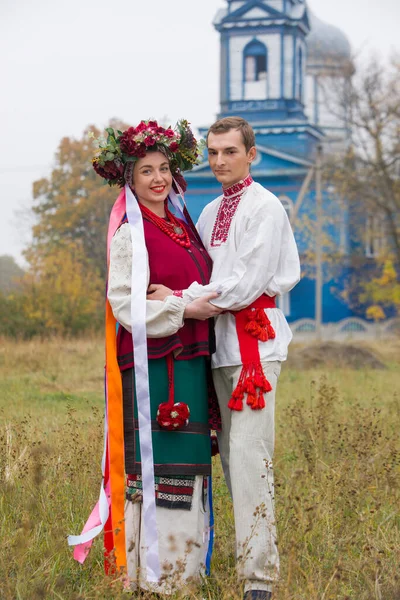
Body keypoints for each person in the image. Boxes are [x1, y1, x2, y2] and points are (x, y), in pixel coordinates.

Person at [148, 117, 301, 600]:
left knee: (251, 461)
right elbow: (201, 268)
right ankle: (227, 563)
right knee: (232, 463)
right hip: (217, 347)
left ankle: (259, 581)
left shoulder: (266, 207)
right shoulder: (211, 210)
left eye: (230, 152)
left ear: (250, 153)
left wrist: (179, 302)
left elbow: (244, 283)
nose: (219, 161)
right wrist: (181, 296)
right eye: (212, 152)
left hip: (253, 348)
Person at [68, 119, 221, 595]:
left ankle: (185, 574)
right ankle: (154, 577)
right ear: (130, 182)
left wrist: (181, 298)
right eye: (146, 171)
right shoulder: (131, 235)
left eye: (163, 169)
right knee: (159, 467)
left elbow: (194, 288)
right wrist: (182, 307)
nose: (157, 178)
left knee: (190, 464)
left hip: (191, 364)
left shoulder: (181, 226)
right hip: (155, 367)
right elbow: (124, 304)